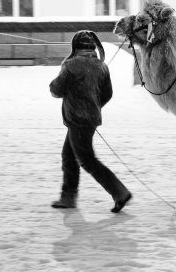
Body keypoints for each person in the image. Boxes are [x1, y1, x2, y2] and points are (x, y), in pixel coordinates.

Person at [49, 30, 132, 213]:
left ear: (75, 47)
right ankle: (68, 197)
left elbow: (56, 89)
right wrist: (93, 106)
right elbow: (107, 94)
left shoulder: (71, 65)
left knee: (87, 160)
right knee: (69, 157)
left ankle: (120, 192)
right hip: (89, 120)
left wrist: (58, 82)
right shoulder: (101, 67)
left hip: (77, 120)